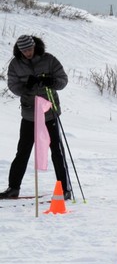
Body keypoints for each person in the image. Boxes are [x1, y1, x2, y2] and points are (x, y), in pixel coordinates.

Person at [1, 35, 71, 200]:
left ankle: (64, 189)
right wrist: (27, 86)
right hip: (30, 114)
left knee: (56, 151)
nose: (27, 53)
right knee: (23, 151)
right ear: (19, 50)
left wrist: (51, 81)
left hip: (49, 113)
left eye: (30, 49)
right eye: (24, 50)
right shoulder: (15, 64)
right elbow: (13, 86)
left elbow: (63, 80)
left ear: (35, 47)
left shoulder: (49, 60)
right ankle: (13, 188)